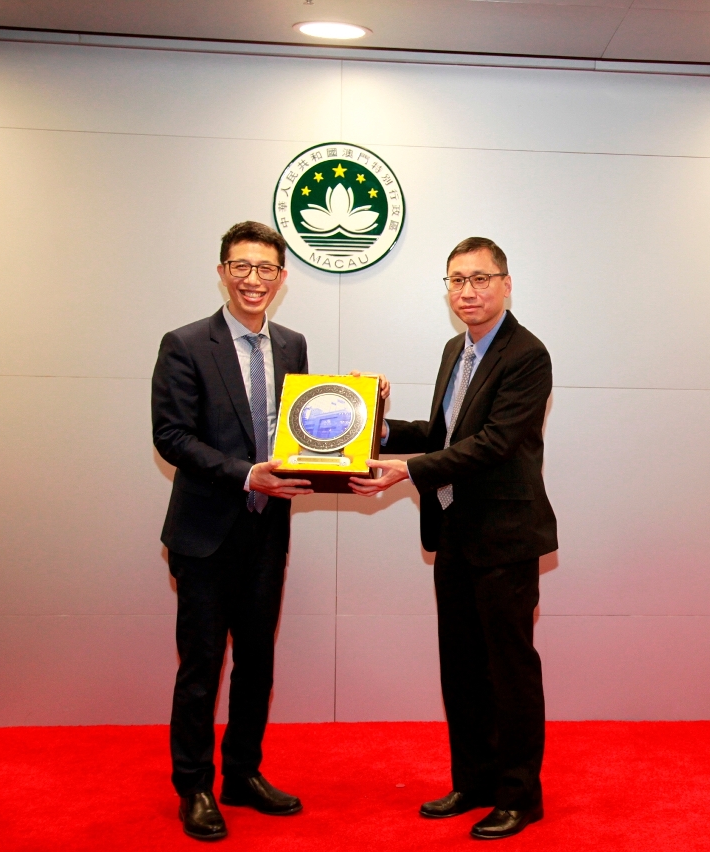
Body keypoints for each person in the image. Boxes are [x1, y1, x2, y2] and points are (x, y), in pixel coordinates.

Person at [350, 237, 557, 840]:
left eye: (480, 279)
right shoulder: (455, 350)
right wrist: (374, 425)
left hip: (505, 537)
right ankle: (473, 782)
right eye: (456, 280)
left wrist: (407, 471)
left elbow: (494, 443)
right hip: (454, 531)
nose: (467, 291)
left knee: (509, 672)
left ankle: (519, 796)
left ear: (506, 284)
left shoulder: (528, 354)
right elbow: (445, 434)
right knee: (462, 668)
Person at [152, 221, 314, 841]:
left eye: (265, 269)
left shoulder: (293, 346)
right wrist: (247, 474)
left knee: (256, 662)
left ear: (281, 278)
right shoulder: (186, 344)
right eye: (241, 267)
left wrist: (361, 411)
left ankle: (242, 772)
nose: (253, 279)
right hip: (205, 534)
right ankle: (194, 785)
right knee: (200, 667)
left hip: (266, 533)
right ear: (222, 272)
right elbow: (171, 436)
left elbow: (303, 429)